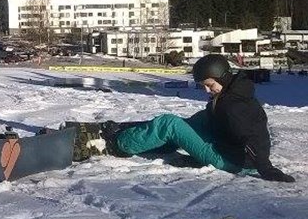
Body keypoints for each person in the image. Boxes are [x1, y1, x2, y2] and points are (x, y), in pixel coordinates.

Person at [80, 53, 295, 183]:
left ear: (222, 77)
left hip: (231, 160)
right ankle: (137, 135)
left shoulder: (233, 106)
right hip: (226, 146)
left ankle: (117, 144)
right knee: (194, 120)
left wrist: (265, 168)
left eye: (209, 85)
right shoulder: (230, 94)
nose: (206, 90)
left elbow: (253, 135)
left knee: (170, 123)